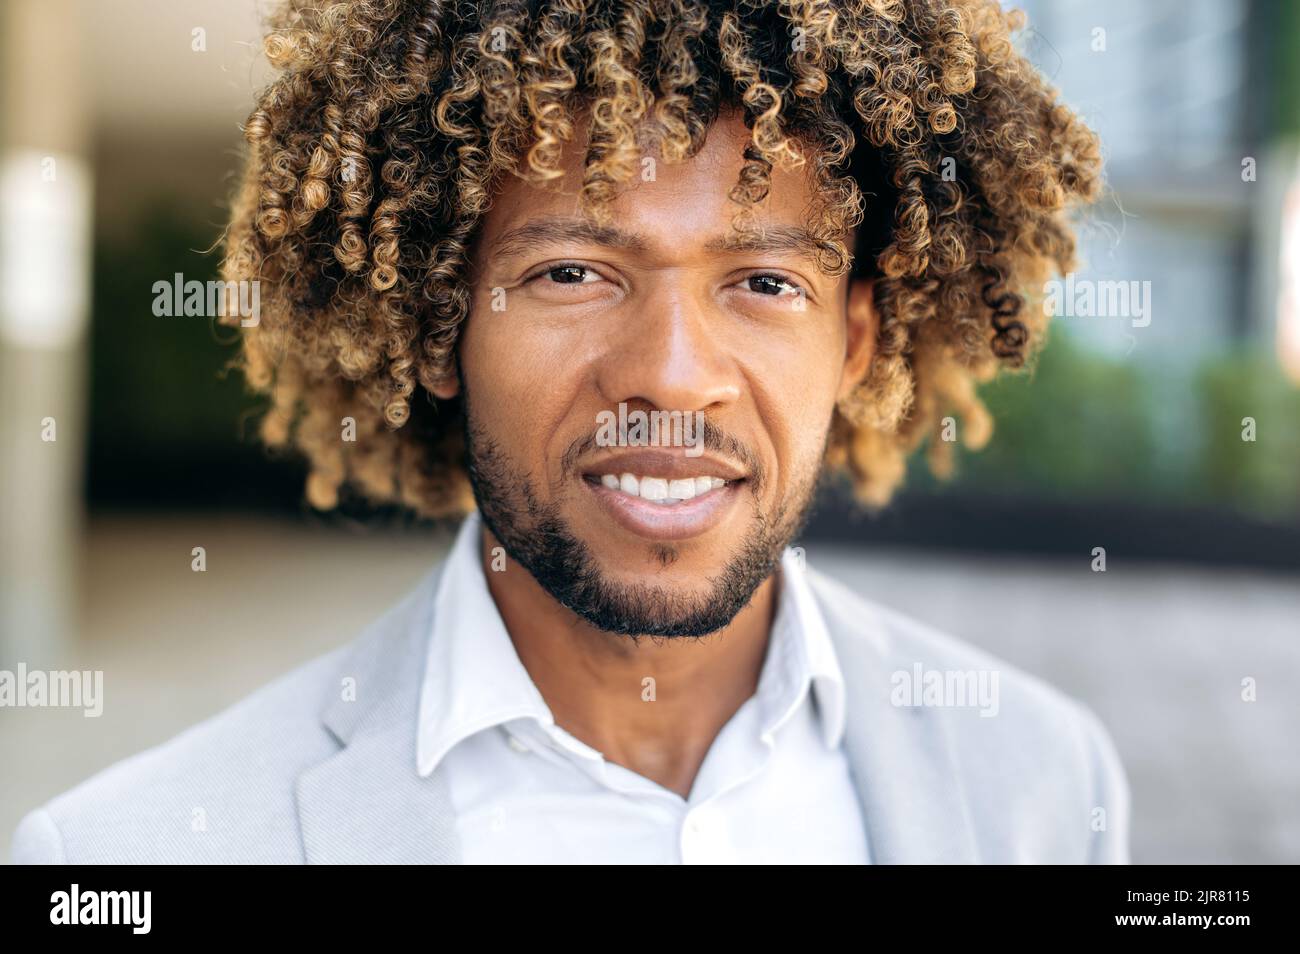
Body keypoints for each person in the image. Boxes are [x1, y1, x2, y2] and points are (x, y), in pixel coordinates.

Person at [12, 0, 1128, 864]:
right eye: (571, 272)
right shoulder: (135, 852)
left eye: (763, 282)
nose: (671, 376)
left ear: (854, 344)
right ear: (440, 328)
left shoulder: (1042, 782)